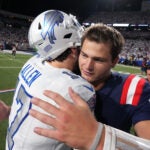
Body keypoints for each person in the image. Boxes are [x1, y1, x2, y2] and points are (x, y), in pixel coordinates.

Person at [29, 23, 150, 149]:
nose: (87, 66)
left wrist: (96, 138)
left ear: (114, 61)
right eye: (84, 55)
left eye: (98, 60)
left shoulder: (132, 88)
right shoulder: (68, 74)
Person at [6, 10, 96, 150]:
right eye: (81, 48)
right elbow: (85, 142)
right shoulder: (78, 88)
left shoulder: (31, 62)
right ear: (73, 50)